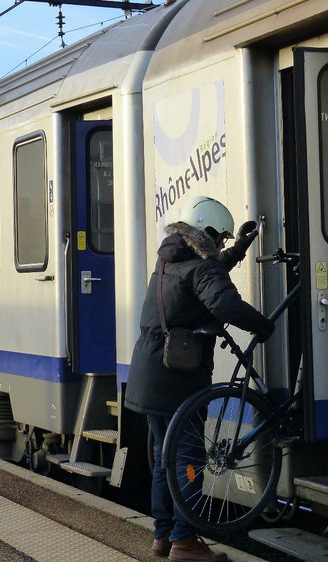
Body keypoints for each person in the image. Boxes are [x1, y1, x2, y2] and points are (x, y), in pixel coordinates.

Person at [125, 195, 274, 562]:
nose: (222, 244)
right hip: (179, 382)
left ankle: (163, 536)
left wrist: (238, 249)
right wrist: (262, 325)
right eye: (220, 238)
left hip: (149, 373)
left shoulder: (168, 262)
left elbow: (206, 273)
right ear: (205, 233)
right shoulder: (199, 269)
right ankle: (184, 543)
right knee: (187, 458)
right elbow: (223, 303)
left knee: (164, 457)